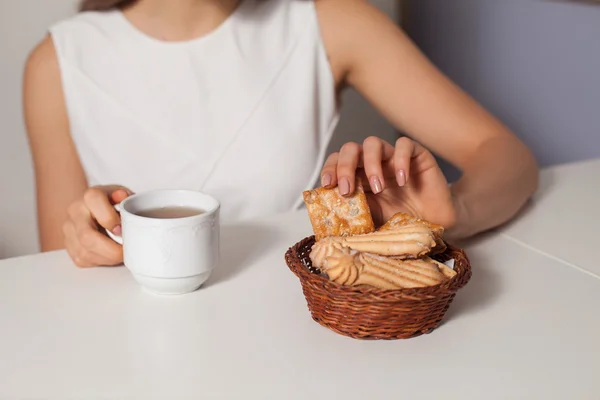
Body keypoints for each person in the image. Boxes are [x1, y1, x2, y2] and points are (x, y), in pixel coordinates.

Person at [23, 0, 539, 268]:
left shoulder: (330, 22)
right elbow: (59, 265)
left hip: (302, 329)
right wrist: (84, 243)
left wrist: (450, 214)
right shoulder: (59, 62)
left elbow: (504, 154)